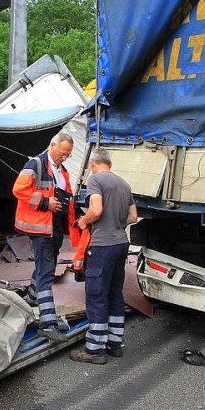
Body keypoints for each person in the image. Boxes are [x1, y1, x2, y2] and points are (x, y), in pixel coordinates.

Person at [70, 147, 138, 364]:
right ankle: (114, 344)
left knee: (97, 294)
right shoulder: (124, 184)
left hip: (102, 246)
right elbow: (133, 216)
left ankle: (94, 349)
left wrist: (84, 221)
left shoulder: (95, 180)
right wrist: (116, 224)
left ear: (93, 164)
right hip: (121, 243)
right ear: (110, 164)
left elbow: (96, 210)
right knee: (114, 293)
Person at [12, 132, 78, 342]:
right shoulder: (35, 164)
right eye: (62, 153)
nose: (64, 158)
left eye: (68, 155)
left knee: (44, 267)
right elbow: (19, 189)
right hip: (40, 227)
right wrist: (45, 202)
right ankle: (48, 323)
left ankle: (31, 301)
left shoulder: (61, 170)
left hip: (53, 227)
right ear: (52, 145)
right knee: (46, 273)